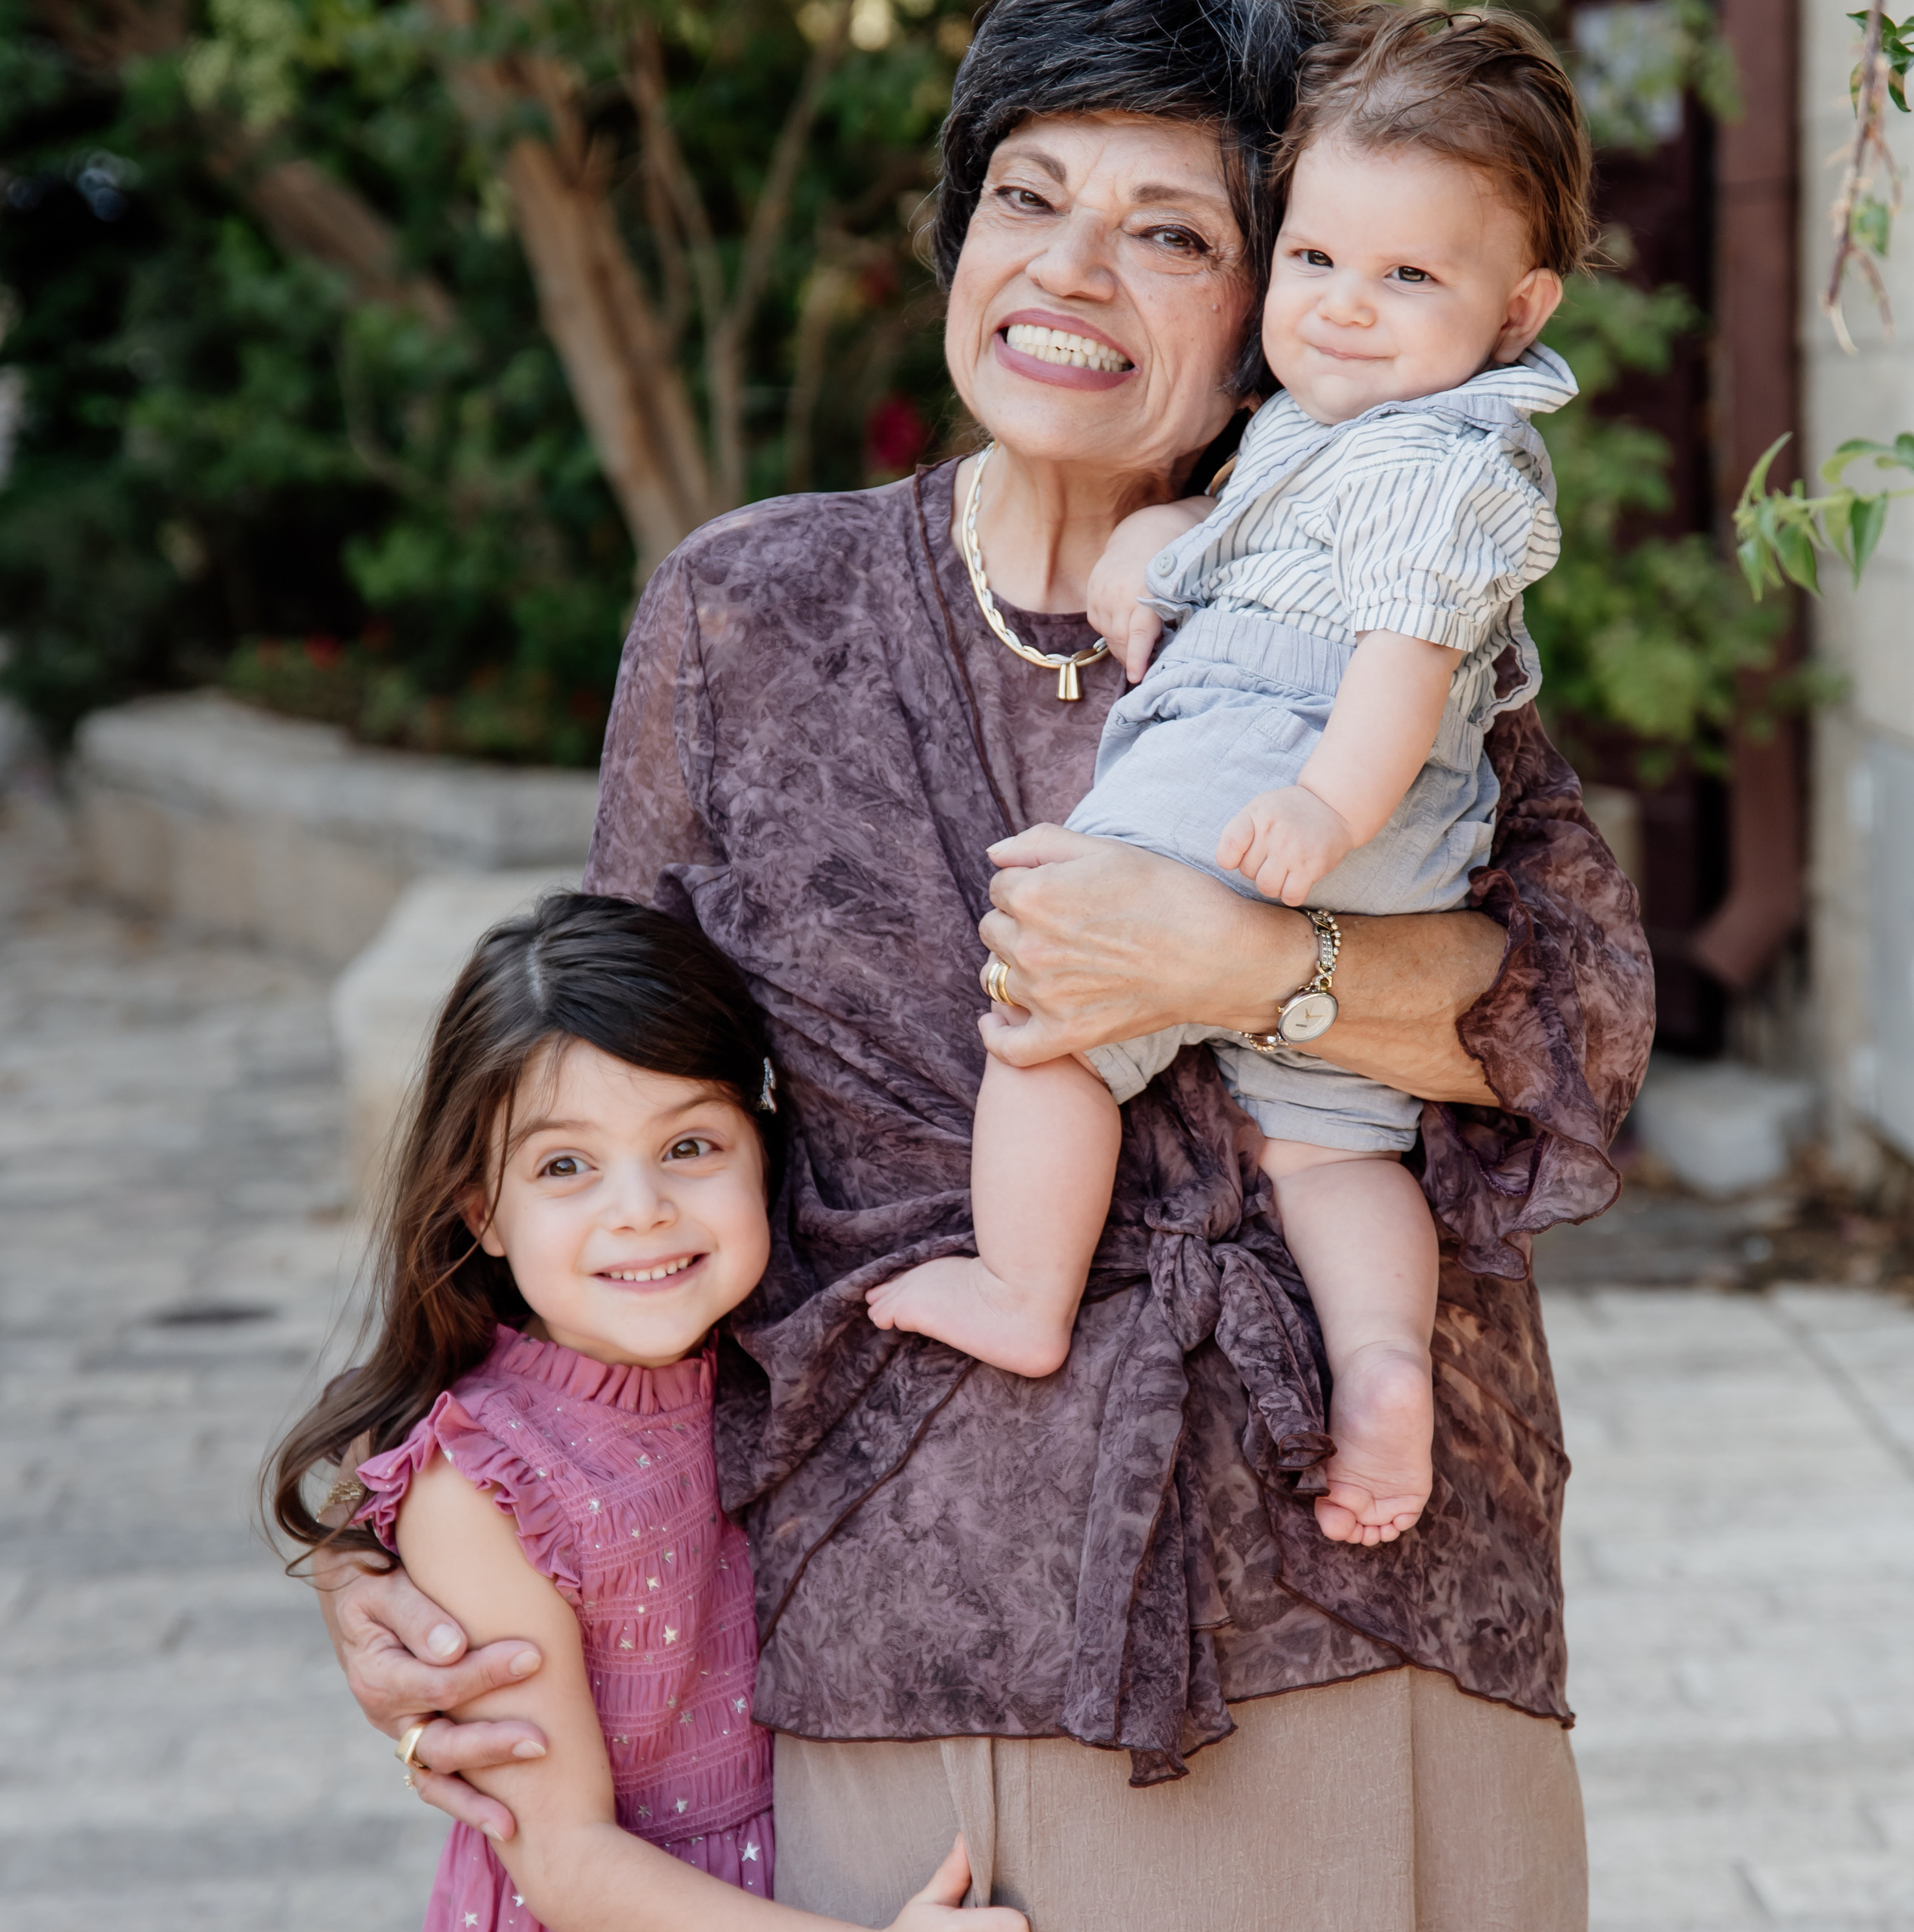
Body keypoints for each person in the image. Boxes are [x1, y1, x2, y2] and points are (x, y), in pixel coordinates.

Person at [312, 3, 1651, 1926]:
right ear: (952, 237)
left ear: (1268, 281)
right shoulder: (748, 612)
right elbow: (603, 1138)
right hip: (891, 1608)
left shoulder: (1365, 592)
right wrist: (411, 1544)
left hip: (1351, 1585)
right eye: (1025, 198)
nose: (1071, 273)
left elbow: (1571, 1030)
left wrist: (1243, 960)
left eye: (1173, 231)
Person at [865, 9, 1589, 1556]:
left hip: (1275, 777)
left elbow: (1579, 1012)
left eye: (1171, 231)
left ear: (1517, 308)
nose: (1342, 308)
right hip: (1382, 833)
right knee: (1332, 1140)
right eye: (1319, 261)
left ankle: (1019, 1285)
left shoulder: (1421, 460)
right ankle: (1380, 1362)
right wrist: (1158, 552)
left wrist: (1294, 871)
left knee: (1052, 999)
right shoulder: (1339, 438)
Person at [266, 894, 1023, 1932]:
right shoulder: (489, 1482)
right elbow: (568, 1863)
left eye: (689, 1147)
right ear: (481, 1211)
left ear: (763, 1151)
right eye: (565, 1166)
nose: (640, 1208)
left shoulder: (773, 1358)